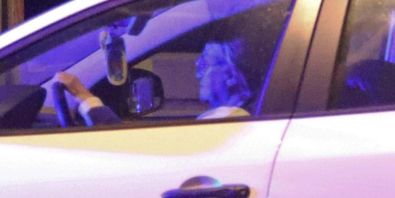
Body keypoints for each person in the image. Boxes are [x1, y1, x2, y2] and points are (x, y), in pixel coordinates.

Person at [53, 38, 254, 126]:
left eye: (205, 64)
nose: (197, 70)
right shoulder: (222, 116)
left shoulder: (231, 120)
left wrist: (84, 96)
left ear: (230, 75)